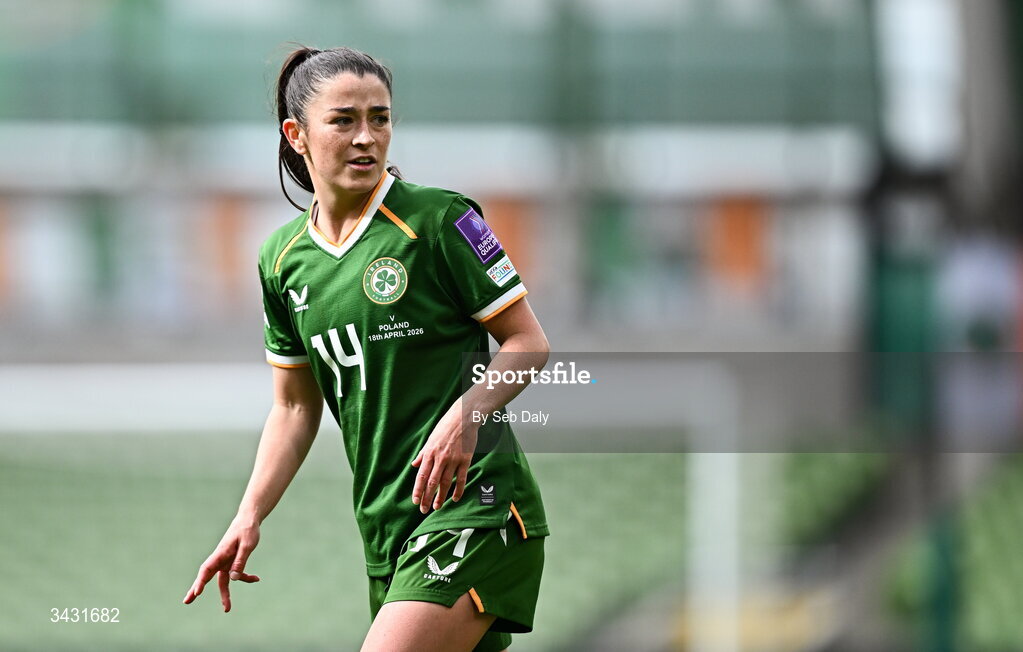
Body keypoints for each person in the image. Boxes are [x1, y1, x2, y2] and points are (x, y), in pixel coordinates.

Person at [182, 46, 550, 652]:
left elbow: (527, 342)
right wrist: (248, 514)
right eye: (344, 120)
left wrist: (465, 416)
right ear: (296, 135)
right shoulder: (281, 260)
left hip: (479, 508)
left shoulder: (439, 221)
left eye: (379, 119)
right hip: (387, 525)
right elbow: (295, 409)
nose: (366, 137)